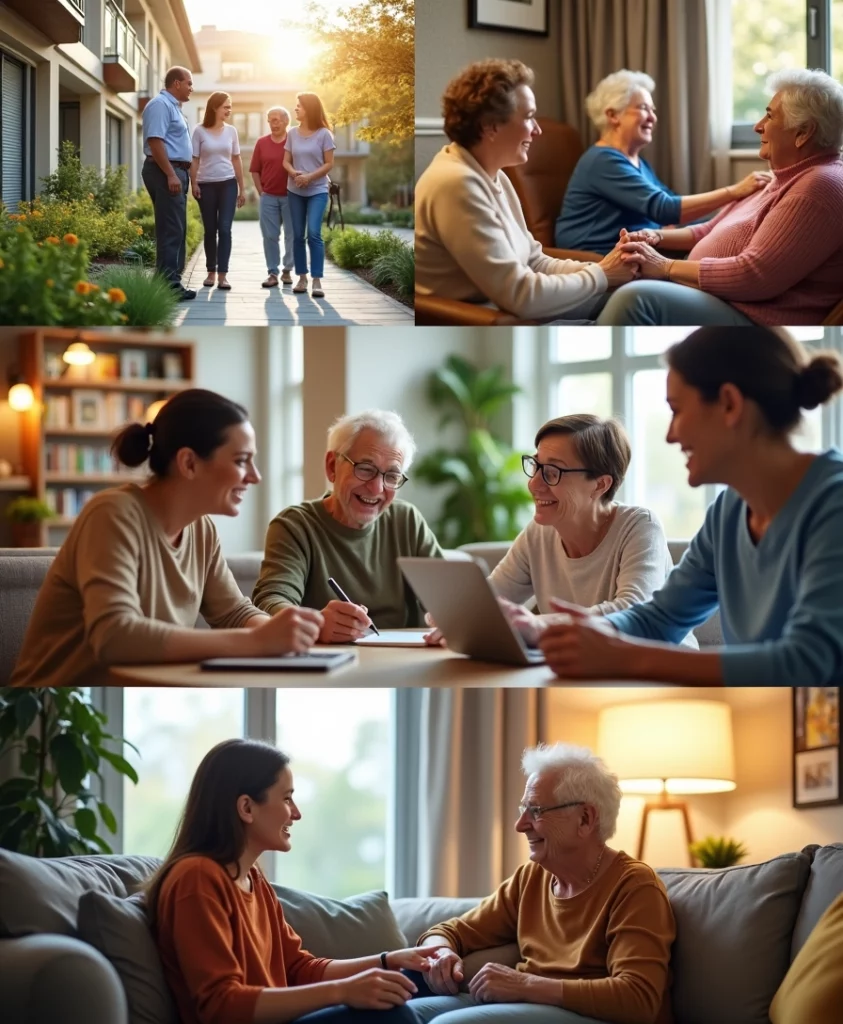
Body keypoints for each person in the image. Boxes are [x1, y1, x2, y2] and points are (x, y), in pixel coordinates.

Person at [536, 326, 843, 687]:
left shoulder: (832, 505)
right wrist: (575, 630)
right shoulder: (727, 513)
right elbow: (660, 617)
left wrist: (624, 656)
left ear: (730, 404)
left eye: (676, 410)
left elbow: (808, 662)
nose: (670, 434)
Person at [10, 390, 323, 688]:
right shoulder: (112, 514)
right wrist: (257, 642)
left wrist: (290, 632)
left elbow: (234, 613)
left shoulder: (202, 530)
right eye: (241, 460)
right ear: (188, 463)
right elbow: (114, 637)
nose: (255, 476)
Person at [148, 738, 433, 1024]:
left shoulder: (254, 879)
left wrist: (388, 960)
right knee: (394, 1015)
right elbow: (221, 1005)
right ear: (246, 808)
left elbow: (299, 968)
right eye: (286, 799)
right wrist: (342, 992)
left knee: (415, 981)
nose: (296, 813)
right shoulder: (196, 878)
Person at [407, 743, 675, 1024]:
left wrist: (524, 985)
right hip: (531, 1006)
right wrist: (442, 953)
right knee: (404, 1014)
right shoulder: (531, 879)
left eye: (535, 811)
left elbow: (638, 998)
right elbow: (450, 931)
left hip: (592, 1016)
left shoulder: (635, 886)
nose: (520, 824)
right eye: (523, 809)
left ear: (585, 819)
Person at [425, 414, 695, 649]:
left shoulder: (639, 526)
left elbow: (632, 611)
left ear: (600, 485)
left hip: (660, 674)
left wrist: (535, 625)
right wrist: (457, 615)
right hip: (585, 667)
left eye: (552, 471)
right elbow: (489, 602)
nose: (534, 484)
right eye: (536, 466)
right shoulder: (539, 533)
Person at [598, 69, 843, 326]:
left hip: (753, 317)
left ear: (803, 132)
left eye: (769, 116)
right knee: (603, 292)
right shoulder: (782, 179)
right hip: (715, 297)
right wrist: (655, 237)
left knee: (636, 298)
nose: (758, 126)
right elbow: (706, 230)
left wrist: (664, 266)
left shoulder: (819, 186)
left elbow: (753, 276)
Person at [414, 60, 638, 322]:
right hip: (491, 319)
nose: (537, 129)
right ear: (490, 126)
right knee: (634, 306)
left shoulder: (493, 175)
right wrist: (602, 276)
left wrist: (606, 268)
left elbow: (535, 260)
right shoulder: (455, 184)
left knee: (638, 295)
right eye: (529, 117)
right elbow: (522, 296)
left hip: (517, 309)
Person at [252, 410, 443, 643]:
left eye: (392, 475)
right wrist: (317, 623)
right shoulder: (295, 525)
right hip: (328, 668)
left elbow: (448, 602)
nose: (376, 488)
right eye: (364, 468)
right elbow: (269, 602)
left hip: (405, 668)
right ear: (332, 466)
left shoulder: (407, 520)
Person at [554, 69, 771, 256]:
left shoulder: (637, 162)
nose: (652, 117)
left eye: (653, 110)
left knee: (723, 226)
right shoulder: (602, 160)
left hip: (641, 247)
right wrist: (735, 191)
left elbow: (670, 206)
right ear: (613, 116)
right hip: (600, 255)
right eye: (643, 108)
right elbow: (665, 208)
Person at [141, 66, 197, 301]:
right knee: (171, 228)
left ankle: (165, 280)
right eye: (189, 83)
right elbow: (155, 141)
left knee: (174, 227)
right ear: (176, 83)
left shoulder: (173, 107)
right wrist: (171, 175)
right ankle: (170, 285)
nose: (191, 88)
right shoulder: (160, 105)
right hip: (166, 172)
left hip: (175, 171)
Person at [190, 91, 246, 291]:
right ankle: (211, 272)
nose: (229, 110)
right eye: (226, 107)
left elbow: (236, 158)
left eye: (230, 107)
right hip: (205, 184)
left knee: (224, 229)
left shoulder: (231, 131)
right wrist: (193, 183)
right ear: (214, 107)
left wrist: (242, 188)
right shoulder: (199, 131)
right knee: (210, 230)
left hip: (228, 184)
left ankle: (223, 275)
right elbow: (194, 160)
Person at [284, 92, 336, 298]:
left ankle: (316, 280)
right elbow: (285, 160)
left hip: (317, 190)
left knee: (313, 233)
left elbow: (329, 163)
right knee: (298, 235)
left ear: (310, 109)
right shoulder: (292, 134)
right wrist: (293, 172)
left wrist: (309, 178)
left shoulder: (324, 134)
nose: (296, 108)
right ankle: (302, 278)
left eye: (299, 106)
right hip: (294, 190)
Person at [251, 106, 295, 288]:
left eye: (276, 120)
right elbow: (254, 170)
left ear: (286, 121)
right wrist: (261, 191)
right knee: (270, 235)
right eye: (270, 120)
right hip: (268, 197)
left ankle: (287, 270)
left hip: (292, 197)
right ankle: (272, 273)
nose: (272, 124)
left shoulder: (294, 142)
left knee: (292, 235)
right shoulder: (262, 143)